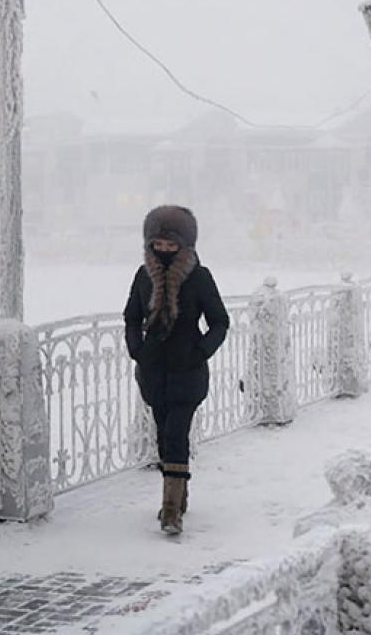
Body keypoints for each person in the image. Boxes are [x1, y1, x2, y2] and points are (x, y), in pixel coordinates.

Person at [124, 205, 229, 535]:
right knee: (162, 434)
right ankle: (179, 494)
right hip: (154, 370)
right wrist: (137, 349)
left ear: (186, 245)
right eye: (159, 245)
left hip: (187, 369)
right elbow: (130, 316)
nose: (165, 251)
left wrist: (199, 352)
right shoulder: (144, 277)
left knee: (176, 433)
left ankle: (171, 510)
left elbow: (219, 322)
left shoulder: (199, 277)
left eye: (172, 245)